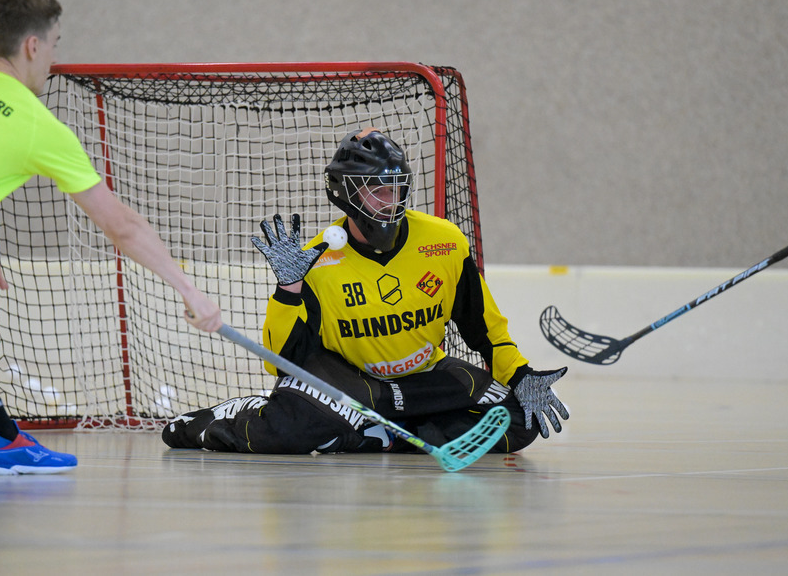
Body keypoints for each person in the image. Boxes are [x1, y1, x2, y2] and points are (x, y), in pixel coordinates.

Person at [162, 127, 569, 456]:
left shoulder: (445, 242)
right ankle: (233, 415)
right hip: (352, 384)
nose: (391, 202)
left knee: (520, 420)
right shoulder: (315, 261)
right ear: (346, 192)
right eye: (378, 191)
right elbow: (283, 362)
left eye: (397, 189)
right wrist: (288, 289)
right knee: (287, 431)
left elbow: (485, 329)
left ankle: (374, 435)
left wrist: (521, 375)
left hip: (422, 379)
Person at [0, 0, 223, 475]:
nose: (54, 59)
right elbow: (121, 226)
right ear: (32, 45)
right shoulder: (36, 125)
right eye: (54, 45)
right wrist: (190, 290)